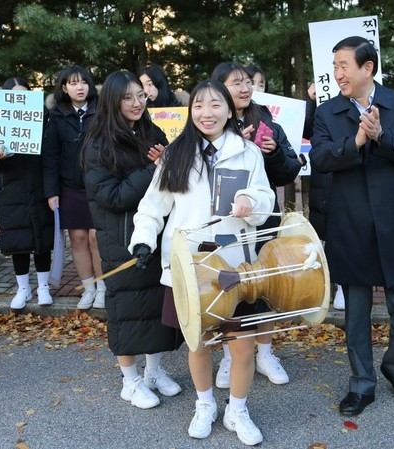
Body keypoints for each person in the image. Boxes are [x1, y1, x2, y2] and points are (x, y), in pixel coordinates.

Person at [129, 79, 274, 445]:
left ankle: (237, 410)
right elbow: (152, 206)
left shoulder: (248, 152)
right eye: (198, 106)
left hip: (234, 265)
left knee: (241, 345)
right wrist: (143, 240)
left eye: (214, 106)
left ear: (229, 110)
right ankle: (205, 403)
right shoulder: (175, 155)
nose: (206, 113)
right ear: (190, 111)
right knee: (199, 342)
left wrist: (249, 202)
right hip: (188, 266)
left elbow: (265, 197)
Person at [309, 36, 394, 417]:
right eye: (334, 66)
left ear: (367, 68)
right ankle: (361, 384)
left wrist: (382, 136)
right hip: (350, 225)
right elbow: (320, 157)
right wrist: (354, 141)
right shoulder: (328, 112)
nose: (337, 73)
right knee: (356, 314)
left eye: (344, 66)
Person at [81, 70, 184, 410]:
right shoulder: (98, 143)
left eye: (140, 95)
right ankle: (130, 380)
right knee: (126, 310)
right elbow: (112, 196)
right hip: (121, 238)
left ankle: (154, 371)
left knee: (156, 306)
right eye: (128, 97)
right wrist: (152, 169)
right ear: (113, 100)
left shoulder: (151, 131)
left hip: (155, 233)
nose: (137, 102)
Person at [212, 62, 301, 388]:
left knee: (265, 286)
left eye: (247, 82)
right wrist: (235, 146)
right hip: (226, 222)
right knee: (228, 286)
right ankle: (227, 355)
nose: (245, 88)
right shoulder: (211, 125)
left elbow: (289, 171)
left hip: (263, 221)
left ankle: (265, 352)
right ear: (219, 88)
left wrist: (273, 152)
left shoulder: (268, 123)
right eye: (236, 83)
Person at [0, 76, 54, 310]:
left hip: (39, 185)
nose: (19, 98)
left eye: (24, 93)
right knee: (18, 240)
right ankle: (23, 288)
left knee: (42, 238)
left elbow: (52, 153)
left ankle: (43, 286)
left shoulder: (43, 119)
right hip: (11, 190)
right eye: (14, 94)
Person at [42, 66, 106, 309]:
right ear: (64, 88)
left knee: (96, 238)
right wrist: (51, 192)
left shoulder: (102, 111)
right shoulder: (56, 115)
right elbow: (50, 156)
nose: (79, 87)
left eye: (84, 82)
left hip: (98, 186)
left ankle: (102, 288)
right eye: (73, 83)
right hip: (69, 187)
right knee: (78, 239)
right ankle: (88, 288)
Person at [304, 82, 345, 311]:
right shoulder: (323, 109)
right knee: (322, 235)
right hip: (323, 182)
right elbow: (305, 130)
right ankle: (325, 286)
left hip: (346, 179)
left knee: (346, 236)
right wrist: (310, 101)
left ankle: (343, 287)